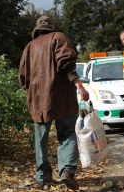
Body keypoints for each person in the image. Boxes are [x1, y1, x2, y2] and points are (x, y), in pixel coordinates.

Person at [18, 16, 89, 190]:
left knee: (40, 138)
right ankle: (66, 171)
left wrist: (32, 93)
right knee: (68, 135)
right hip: (62, 98)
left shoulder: (29, 47)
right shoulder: (58, 37)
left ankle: (42, 177)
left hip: (37, 100)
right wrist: (80, 87)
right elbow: (67, 65)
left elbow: (22, 77)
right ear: (51, 26)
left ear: (37, 29)